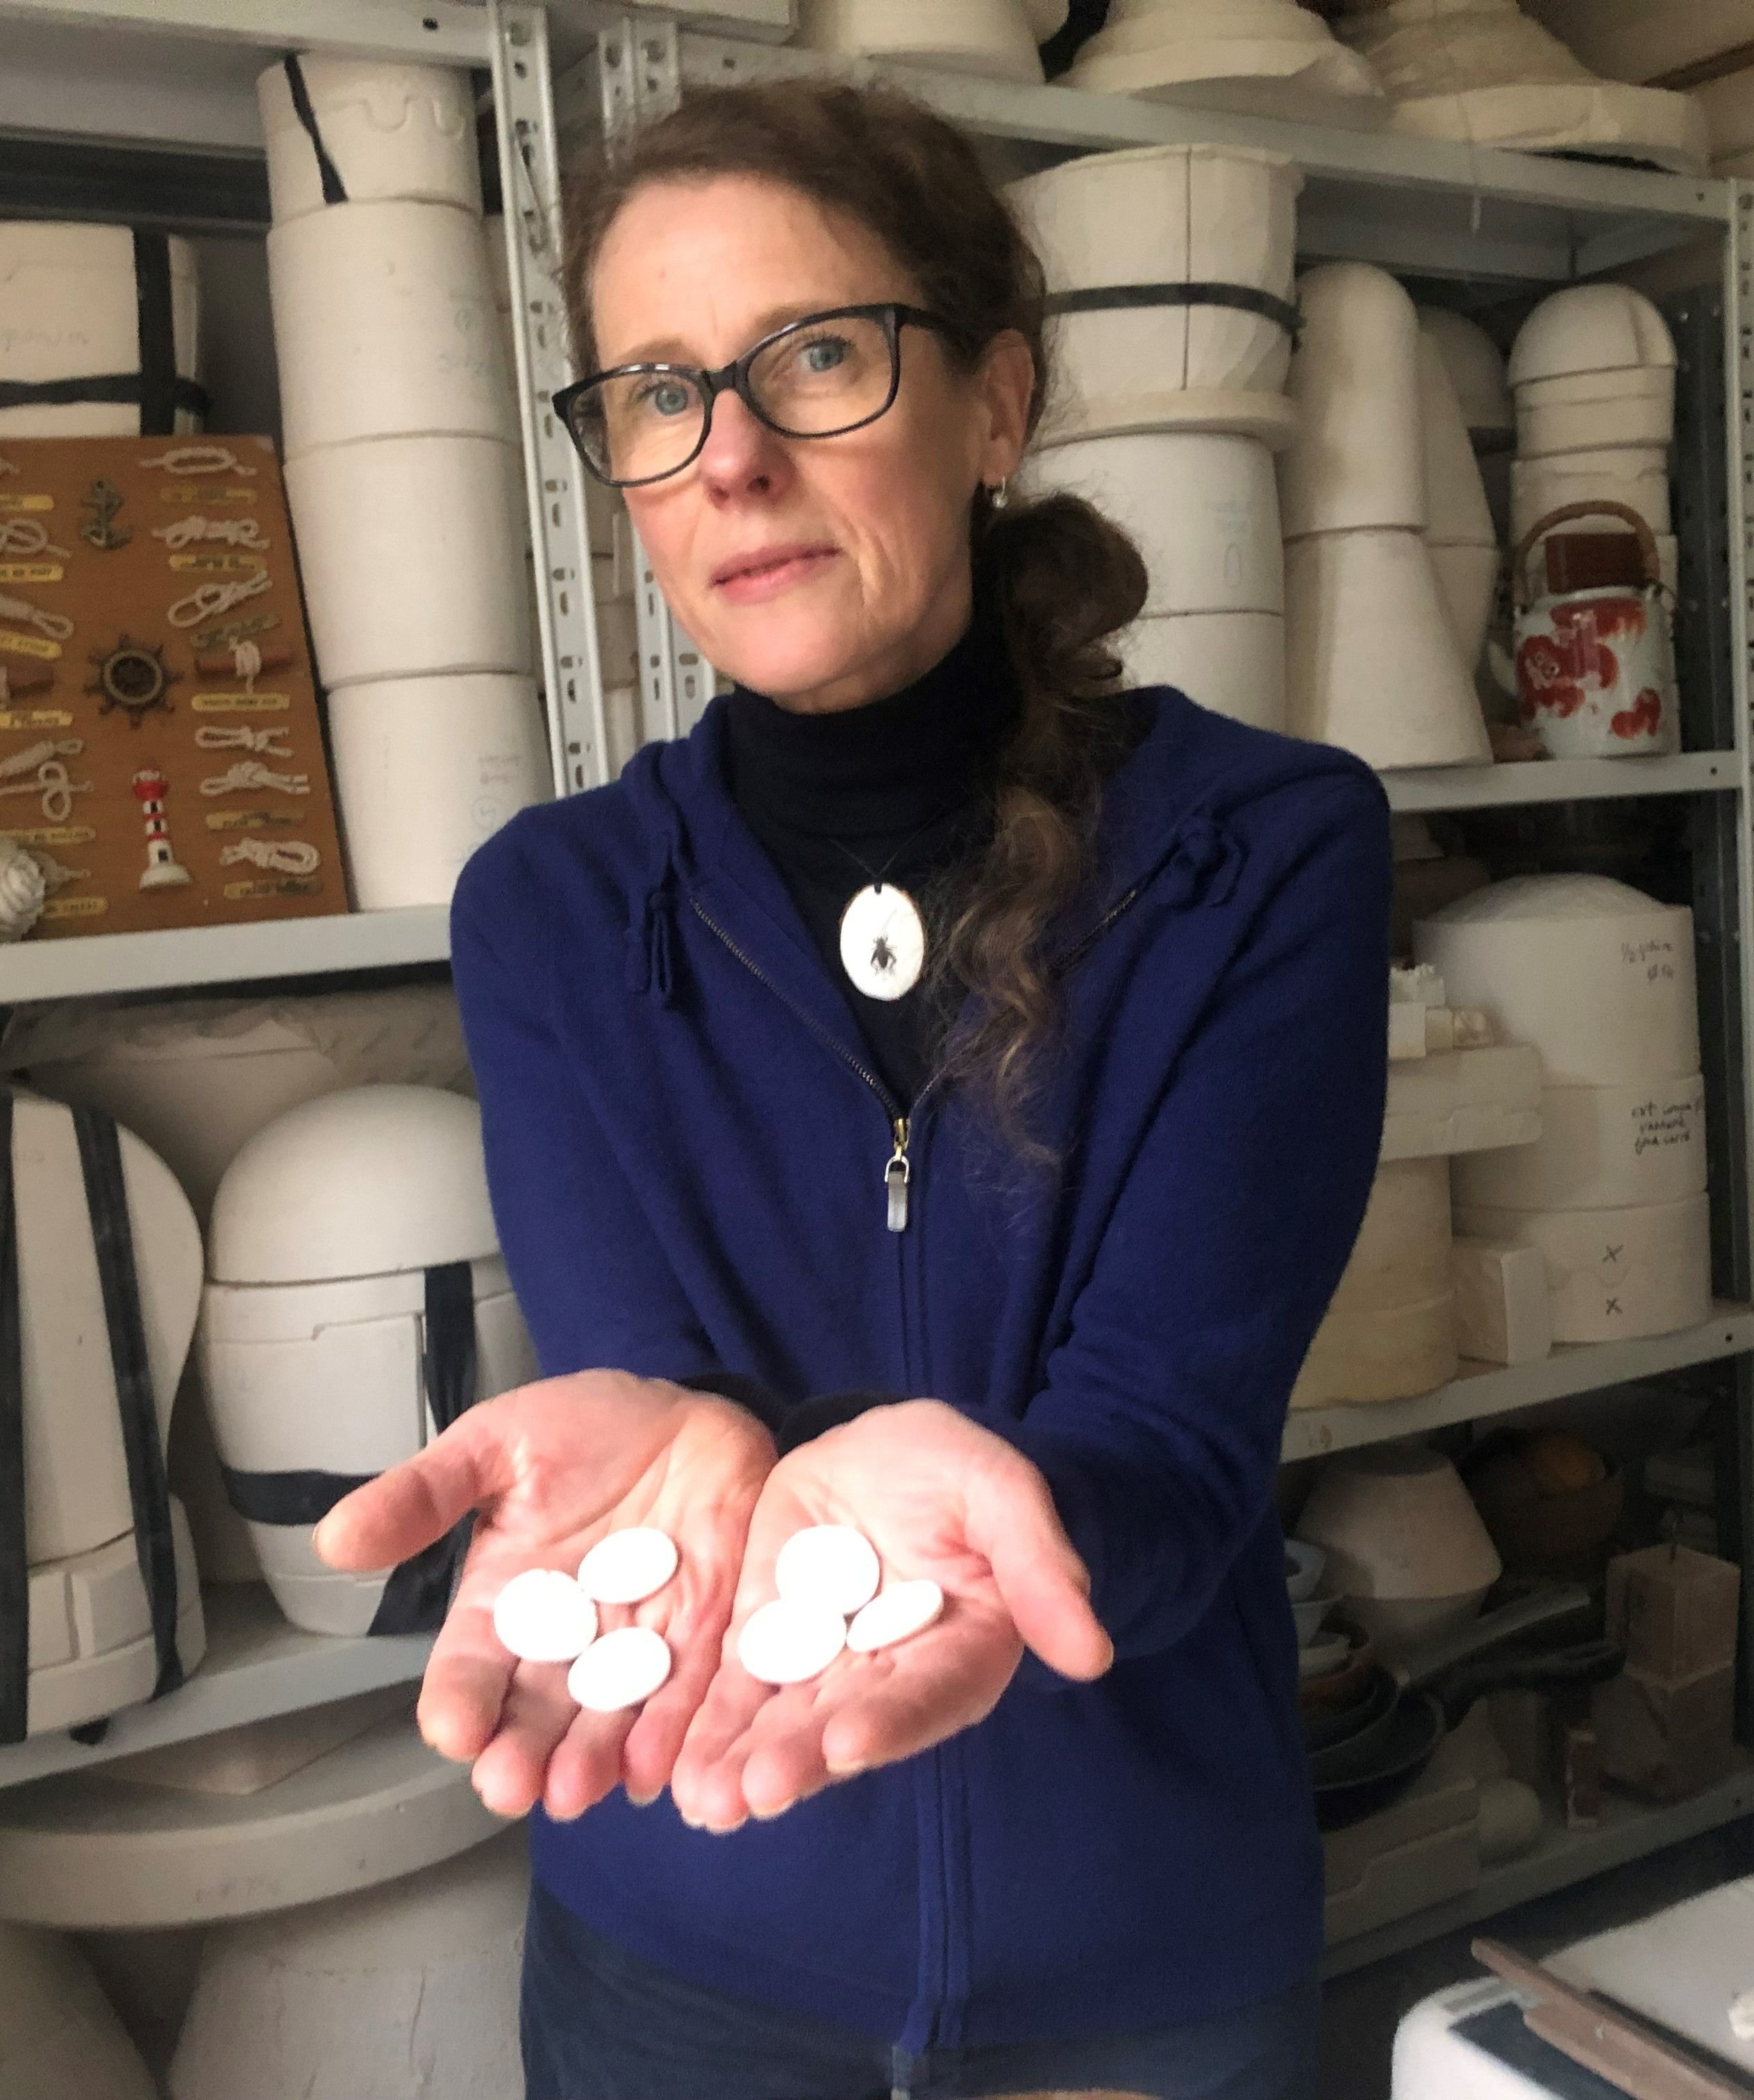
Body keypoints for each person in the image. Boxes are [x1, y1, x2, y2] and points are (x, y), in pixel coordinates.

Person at [315, 78, 1391, 2100]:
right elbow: (655, 1409)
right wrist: (676, 1449)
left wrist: (1021, 1523)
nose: (726, 457)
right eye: (654, 390)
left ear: (995, 405)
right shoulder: (552, 912)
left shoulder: (1266, 848)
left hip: (1135, 1955)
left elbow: (1175, 1433)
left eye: (814, 357)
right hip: (689, 1932)